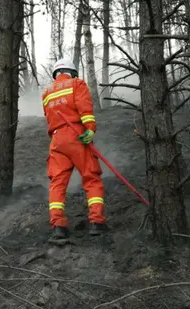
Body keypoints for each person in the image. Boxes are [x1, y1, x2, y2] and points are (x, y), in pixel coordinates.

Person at [41, 58, 106, 239]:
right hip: (76, 134)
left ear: (56, 74)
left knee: (57, 183)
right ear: (72, 72)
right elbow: (84, 108)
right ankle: (97, 222)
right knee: (91, 177)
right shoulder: (77, 84)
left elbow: (49, 117)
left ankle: (58, 226)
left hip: (56, 139)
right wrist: (90, 129)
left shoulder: (46, 93)